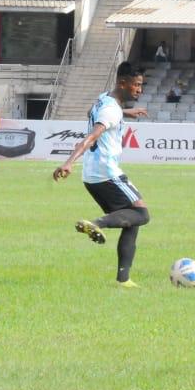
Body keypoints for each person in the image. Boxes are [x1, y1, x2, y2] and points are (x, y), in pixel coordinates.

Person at [53, 62, 150, 288]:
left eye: (141, 85)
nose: (139, 89)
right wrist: (68, 162)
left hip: (92, 176)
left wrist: (124, 113)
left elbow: (91, 112)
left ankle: (123, 280)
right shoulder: (110, 110)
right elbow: (92, 136)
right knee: (142, 214)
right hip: (108, 172)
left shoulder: (104, 99)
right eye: (136, 85)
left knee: (130, 220)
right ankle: (97, 224)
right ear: (122, 83)